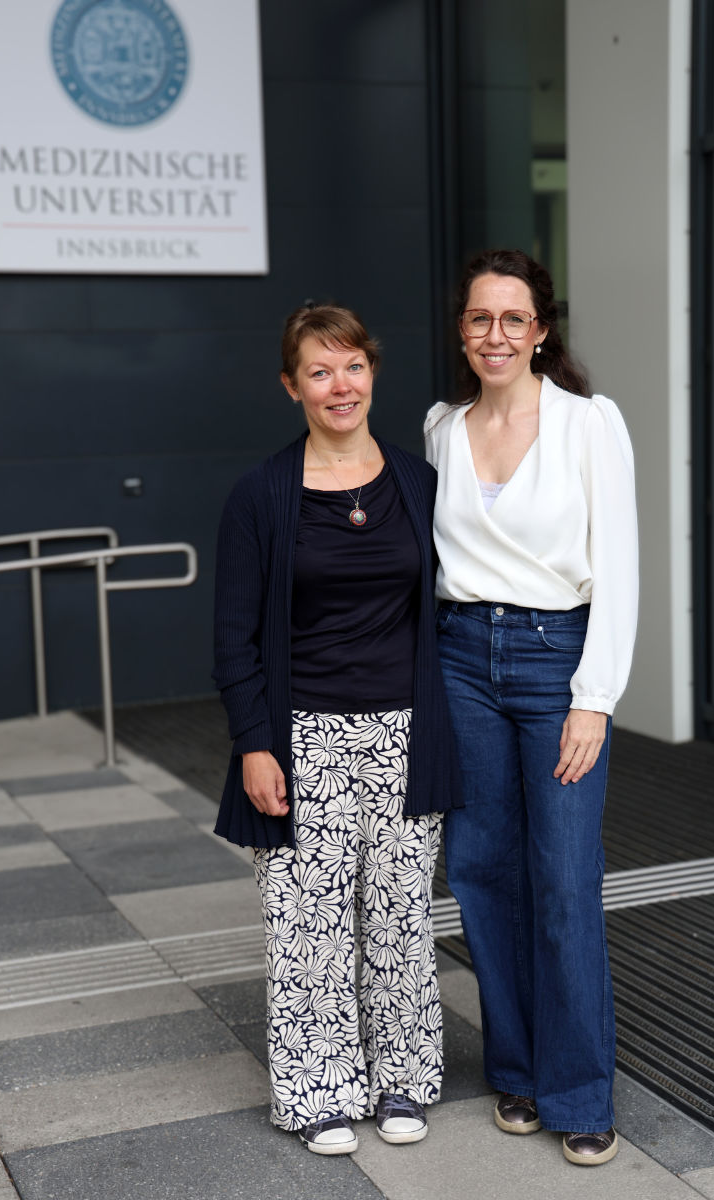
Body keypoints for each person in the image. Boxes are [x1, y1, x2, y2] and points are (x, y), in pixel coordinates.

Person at [213, 302, 463, 1156]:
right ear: (292, 387)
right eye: (319, 371)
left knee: (397, 918)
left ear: (372, 374)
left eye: (351, 366)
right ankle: (320, 1088)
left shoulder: (416, 481)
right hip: (302, 739)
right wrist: (254, 741)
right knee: (307, 923)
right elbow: (233, 637)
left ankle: (402, 1080)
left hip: (406, 733)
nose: (339, 385)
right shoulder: (260, 495)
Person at [425, 249, 638, 1166]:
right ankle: (514, 1068)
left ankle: (581, 1089)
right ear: (462, 331)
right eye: (480, 318)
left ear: (542, 329)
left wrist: (595, 698)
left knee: (563, 881)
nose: (496, 334)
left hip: (558, 666)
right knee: (480, 871)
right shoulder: (441, 425)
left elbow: (620, 566)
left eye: (514, 318)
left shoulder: (589, 424)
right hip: (461, 658)